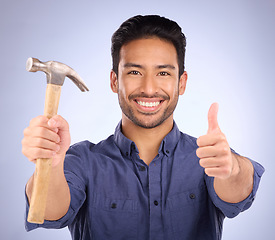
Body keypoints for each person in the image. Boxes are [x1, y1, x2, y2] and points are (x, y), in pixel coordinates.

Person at [22, 15, 264, 240]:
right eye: (135, 71)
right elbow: (48, 214)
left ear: (182, 82)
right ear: (115, 80)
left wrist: (231, 168)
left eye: (163, 73)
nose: (149, 88)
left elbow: (239, 194)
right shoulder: (82, 160)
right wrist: (50, 165)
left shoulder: (207, 158)